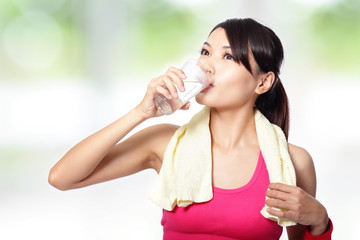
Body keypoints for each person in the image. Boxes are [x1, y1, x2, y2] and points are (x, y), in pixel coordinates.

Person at [48, 18, 333, 239]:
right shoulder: (165, 144)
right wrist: (140, 113)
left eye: (228, 57)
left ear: (263, 82)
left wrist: (320, 220)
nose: (207, 65)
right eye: (205, 52)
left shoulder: (292, 162)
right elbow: (62, 177)